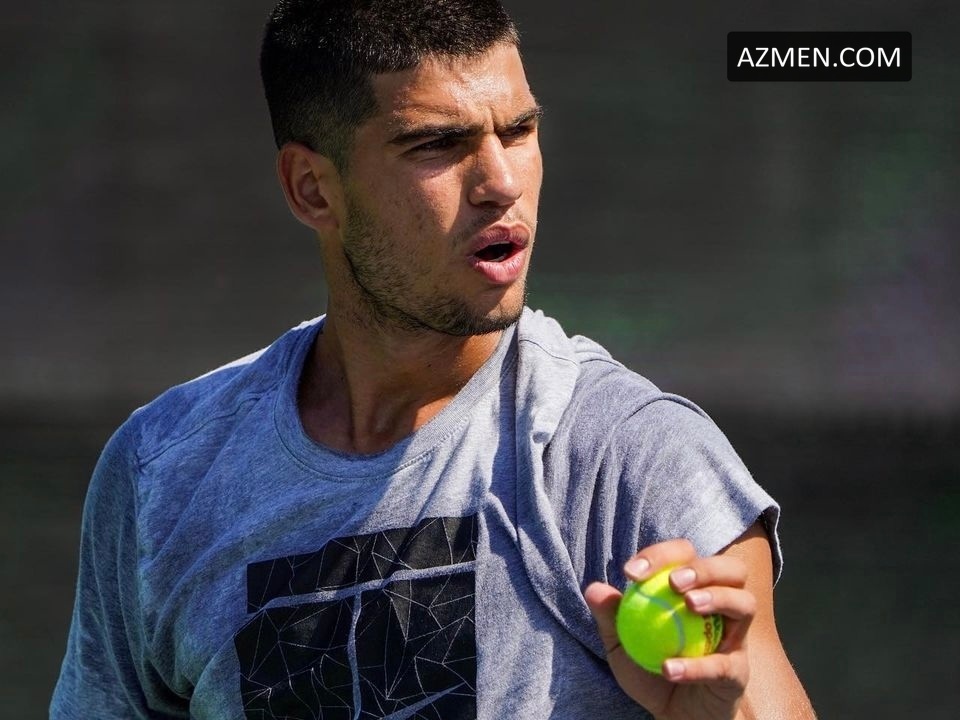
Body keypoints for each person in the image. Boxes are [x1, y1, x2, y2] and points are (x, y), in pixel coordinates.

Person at [51, 1, 816, 718]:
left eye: (519, 131)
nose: (501, 183)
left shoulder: (634, 457)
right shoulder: (160, 472)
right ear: (312, 189)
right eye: (438, 145)